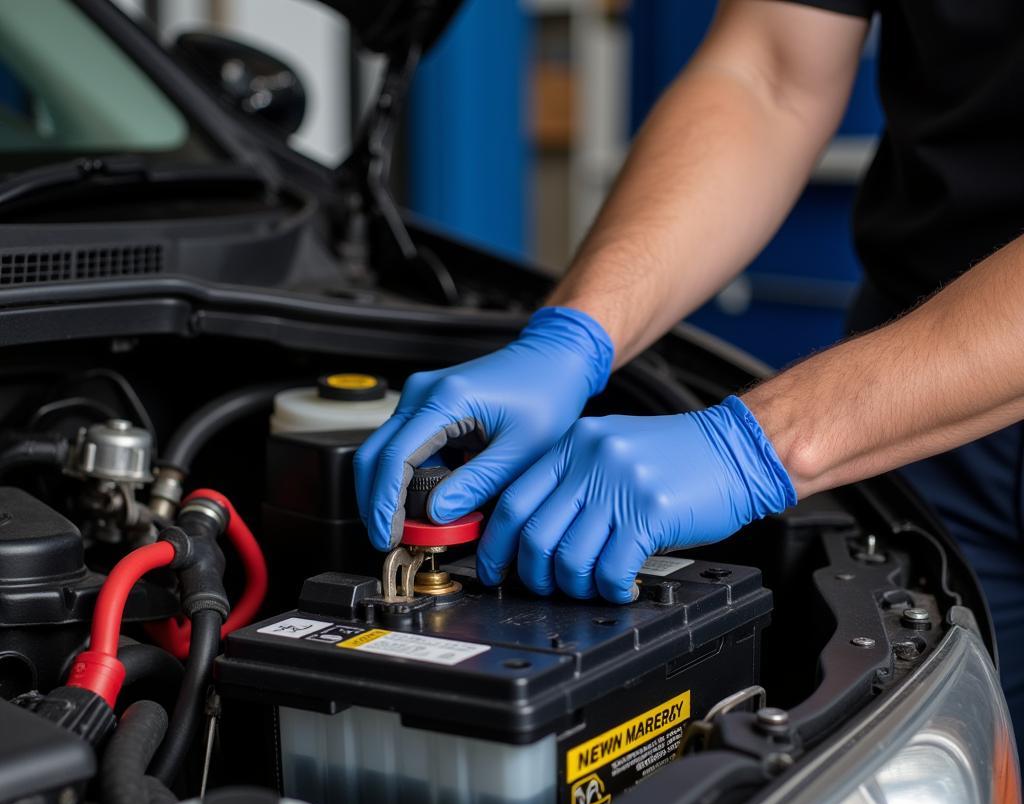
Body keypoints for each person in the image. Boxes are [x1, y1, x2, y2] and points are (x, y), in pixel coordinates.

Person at [354, 0, 1024, 726]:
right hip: (921, 415)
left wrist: (757, 444)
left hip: (895, 403)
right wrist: (574, 334)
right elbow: (770, 71)